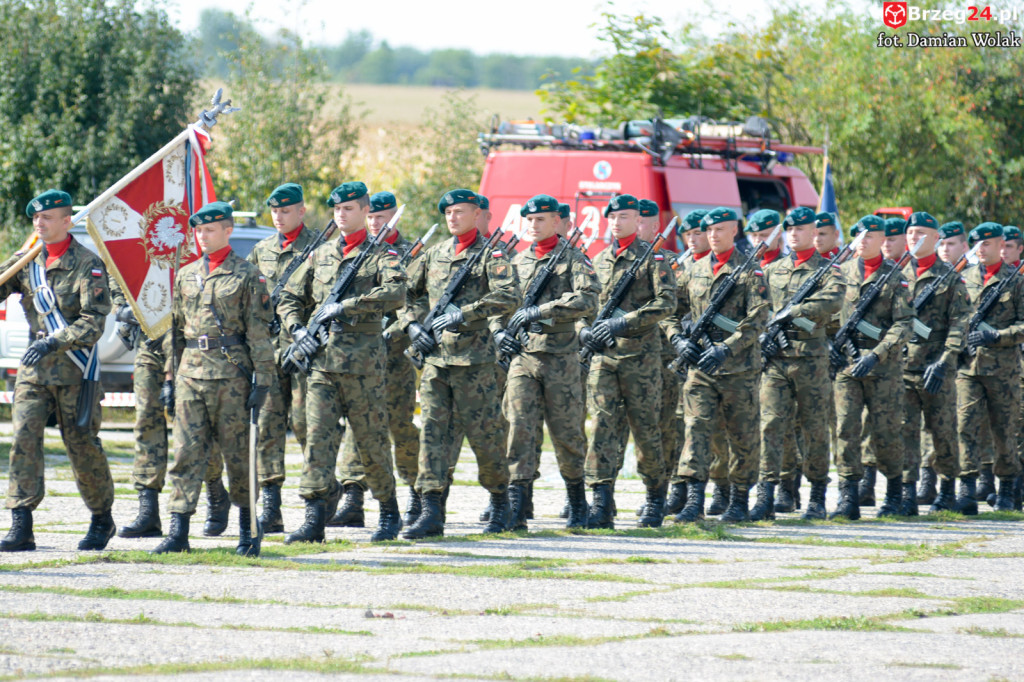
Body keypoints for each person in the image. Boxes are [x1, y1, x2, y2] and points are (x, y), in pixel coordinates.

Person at [278, 182, 407, 543]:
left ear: (366, 212)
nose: (341, 215)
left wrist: (347, 306)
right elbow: (289, 295)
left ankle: (388, 511)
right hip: (321, 364)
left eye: (348, 209)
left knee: (371, 442)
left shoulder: (383, 255)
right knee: (317, 439)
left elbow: (396, 292)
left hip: (363, 366)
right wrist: (297, 329)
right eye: (336, 209)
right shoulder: (319, 255)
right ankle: (315, 517)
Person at [154, 201, 274, 556]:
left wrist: (263, 377)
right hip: (190, 373)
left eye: (210, 230)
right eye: (198, 231)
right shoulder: (186, 273)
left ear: (227, 231)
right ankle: (178, 531)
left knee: (239, 456)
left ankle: (247, 529)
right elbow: (174, 330)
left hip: (231, 376)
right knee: (186, 454)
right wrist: (168, 377)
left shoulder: (247, 274)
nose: (203, 237)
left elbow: (258, 331)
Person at [0, 190, 116, 552]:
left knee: (81, 445)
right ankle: (22, 522)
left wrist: (55, 341)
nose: (39, 223)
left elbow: (93, 324)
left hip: (74, 369)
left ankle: (101, 518)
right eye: (36, 218)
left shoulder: (87, 263)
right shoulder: (27, 261)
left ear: (67, 221)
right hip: (35, 371)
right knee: (23, 438)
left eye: (47, 218)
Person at [401, 189, 521, 539]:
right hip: (437, 361)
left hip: (476, 361)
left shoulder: (492, 254)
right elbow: (407, 293)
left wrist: (463, 314)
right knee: (433, 435)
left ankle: (501, 503)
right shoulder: (435, 254)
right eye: (449, 212)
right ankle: (432, 511)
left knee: (486, 437)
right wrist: (412, 325)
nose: (452, 217)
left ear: (477, 214)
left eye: (460, 211)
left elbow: (508, 296)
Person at [497, 194, 599, 530]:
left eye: (541, 219)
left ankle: (577, 503)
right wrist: (499, 332)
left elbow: (587, 299)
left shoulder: (574, 260)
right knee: (519, 430)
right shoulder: (517, 262)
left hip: (561, 357)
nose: (534, 225)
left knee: (567, 433)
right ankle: (517, 505)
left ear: (557, 221)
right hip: (523, 358)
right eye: (529, 220)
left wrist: (541, 311)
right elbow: (498, 304)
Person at [581, 194, 674, 529]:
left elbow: (666, 303)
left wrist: (624, 322)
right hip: (604, 358)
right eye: (613, 217)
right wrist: (584, 331)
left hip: (641, 359)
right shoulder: (598, 260)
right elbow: (585, 303)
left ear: (638, 221)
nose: (617, 223)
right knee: (603, 426)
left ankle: (654, 498)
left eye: (625, 217)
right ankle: (601, 501)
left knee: (646, 429)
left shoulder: (653, 258)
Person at [670, 207, 768, 523]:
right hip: (700, 368)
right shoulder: (694, 270)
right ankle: (694, 500)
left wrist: (727, 348)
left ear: (734, 232)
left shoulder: (750, 271)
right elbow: (671, 309)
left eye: (720, 230)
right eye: (709, 231)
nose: (713, 236)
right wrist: (677, 340)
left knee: (742, 436)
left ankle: (739, 499)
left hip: (739, 370)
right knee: (696, 430)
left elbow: (758, 319)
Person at [330, 191, 421, 529]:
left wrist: (395, 328)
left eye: (382, 217)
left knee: (399, 425)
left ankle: (416, 489)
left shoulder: (410, 254)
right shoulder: (359, 251)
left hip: (395, 355)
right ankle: (353, 495)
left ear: (394, 216)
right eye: (372, 217)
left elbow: (416, 302)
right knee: (359, 425)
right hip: (360, 354)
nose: (376, 223)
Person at [110, 283, 228, 539]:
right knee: (146, 422)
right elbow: (118, 276)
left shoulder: (190, 248)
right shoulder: (137, 246)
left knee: (193, 428)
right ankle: (148, 508)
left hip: (188, 346)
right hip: (149, 346)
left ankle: (216, 490)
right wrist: (122, 306)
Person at [755, 207, 843, 521]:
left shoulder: (829, 269)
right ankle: (766, 494)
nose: (794, 234)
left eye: (801, 229)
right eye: (789, 229)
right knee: (771, 426)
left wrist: (796, 311)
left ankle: (817, 495)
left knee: (815, 428)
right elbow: (757, 306)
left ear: (813, 232)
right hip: (775, 360)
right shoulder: (772, 269)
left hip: (811, 359)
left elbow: (833, 301)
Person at [246, 182, 319, 534]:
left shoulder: (320, 247)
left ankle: (319, 497)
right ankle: (271, 505)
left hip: (305, 351)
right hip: (270, 352)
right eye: (274, 210)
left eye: (286, 210)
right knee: (268, 428)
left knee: (309, 426)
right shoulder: (261, 250)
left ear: (301, 211)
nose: (279, 216)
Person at [829, 215, 912, 520]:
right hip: (847, 367)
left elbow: (904, 324)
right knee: (845, 429)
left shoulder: (895, 276)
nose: (863, 241)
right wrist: (830, 346)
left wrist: (877, 354)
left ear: (881, 240)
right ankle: (848, 496)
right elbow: (828, 313)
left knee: (885, 432)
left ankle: (893, 493)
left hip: (883, 368)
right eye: (859, 236)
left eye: (869, 236)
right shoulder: (840, 272)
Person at [899, 211, 969, 515]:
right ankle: (906, 492)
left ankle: (947, 490)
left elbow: (960, 325)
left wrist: (946, 360)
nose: (914, 237)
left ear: (935, 238)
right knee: (904, 432)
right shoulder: (896, 276)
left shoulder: (950, 278)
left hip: (936, 369)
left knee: (942, 432)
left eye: (921, 233)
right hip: (902, 368)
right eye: (911, 232)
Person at [955, 222, 1024, 513]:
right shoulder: (963, 278)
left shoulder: (1017, 280)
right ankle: (967, 488)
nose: (981, 250)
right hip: (968, 367)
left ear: (1000, 245)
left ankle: (1007, 487)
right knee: (965, 426)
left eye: (987, 244)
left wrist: (997, 335)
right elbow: (953, 319)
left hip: (1003, 369)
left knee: (1004, 429)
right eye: (977, 245)